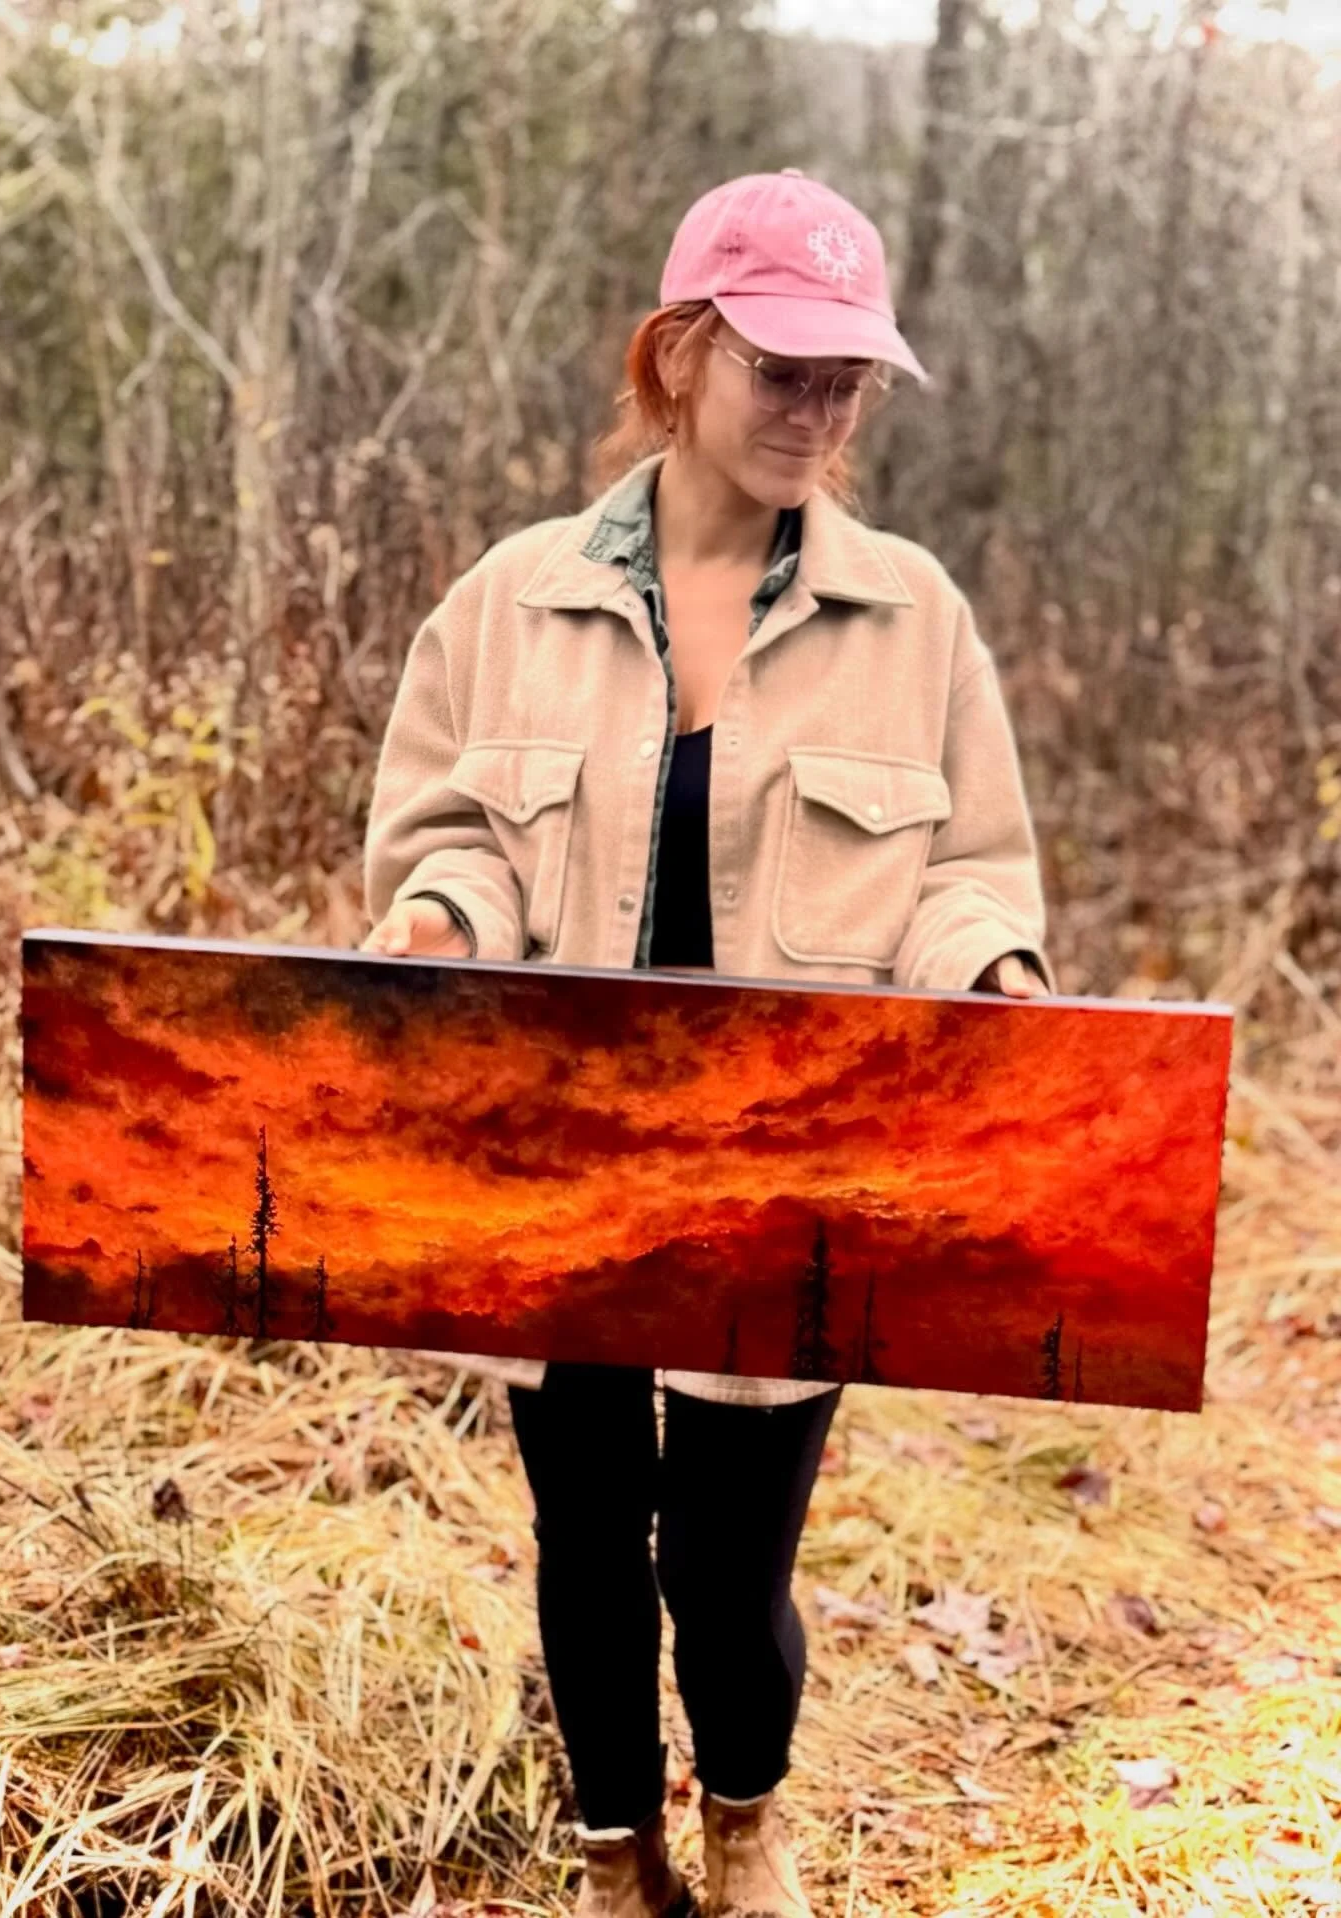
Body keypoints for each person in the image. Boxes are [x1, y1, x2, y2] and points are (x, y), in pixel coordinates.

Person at [361, 169, 1055, 1918]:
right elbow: (449, 832)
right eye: (780, 369)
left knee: (729, 1572)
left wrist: (991, 982)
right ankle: (617, 1855)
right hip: (561, 1155)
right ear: (679, 355)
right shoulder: (509, 604)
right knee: (588, 1546)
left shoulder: (919, 623)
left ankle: (745, 1813)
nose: (817, 411)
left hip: (786, 1175)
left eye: (847, 379)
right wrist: (444, 925)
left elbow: (964, 872)